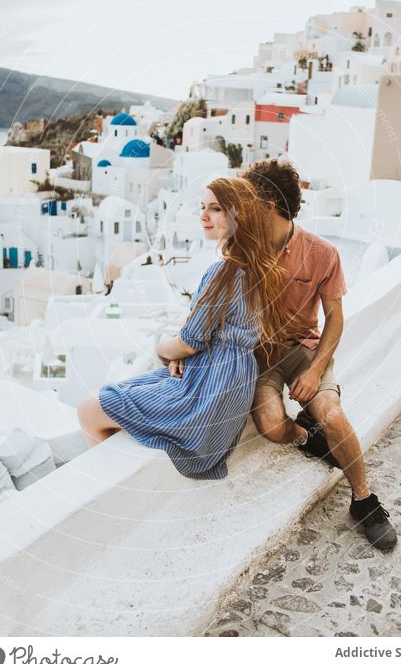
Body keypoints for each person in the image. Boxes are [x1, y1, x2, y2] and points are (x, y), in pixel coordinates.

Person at [77, 177, 292, 480]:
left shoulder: (225, 272)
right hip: (229, 383)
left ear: (238, 214)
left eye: (215, 208)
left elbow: (189, 342)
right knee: (128, 391)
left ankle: (107, 486)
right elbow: (202, 333)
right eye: (202, 207)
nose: (204, 216)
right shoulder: (262, 266)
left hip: (207, 392)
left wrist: (164, 348)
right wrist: (184, 348)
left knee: (89, 410)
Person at [243, 160, 398, 550]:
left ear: (269, 206)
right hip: (261, 357)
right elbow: (211, 302)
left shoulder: (322, 253)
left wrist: (313, 373)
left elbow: (334, 320)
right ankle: (308, 435)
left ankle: (364, 500)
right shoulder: (244, 248)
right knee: (272, 425)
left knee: (330, 409)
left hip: (304, 349)